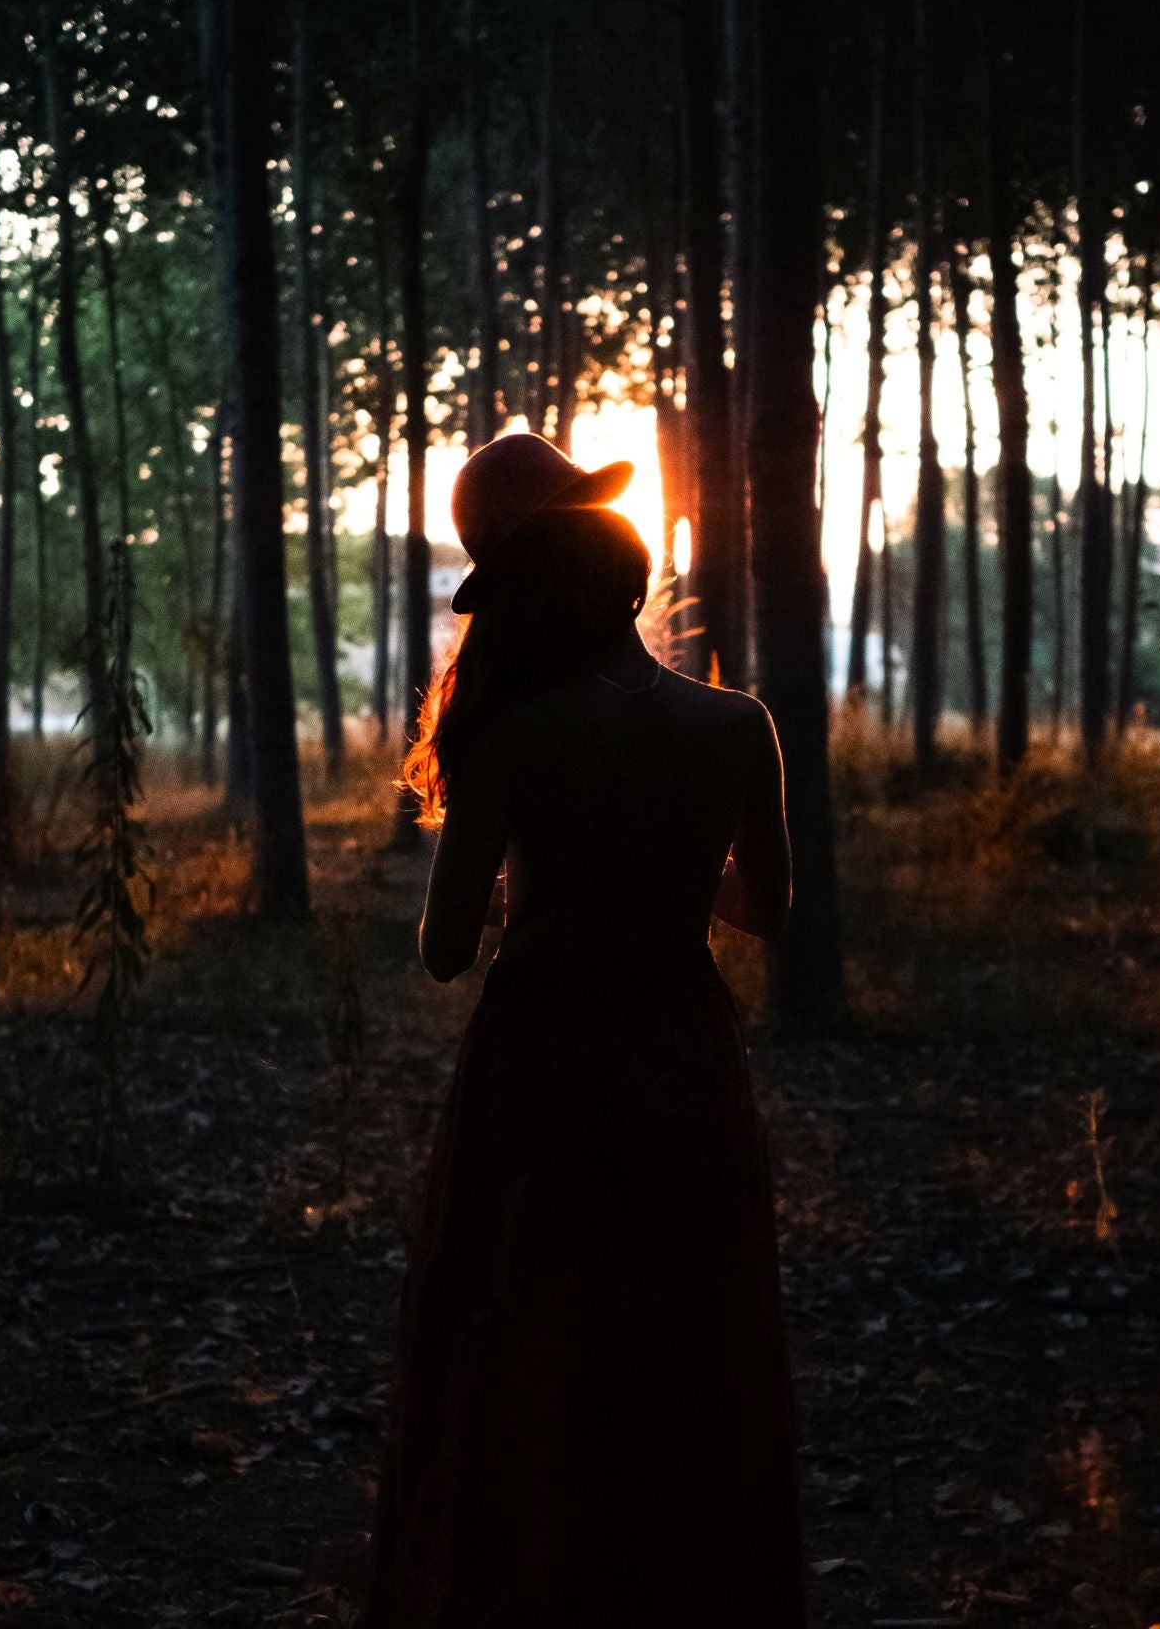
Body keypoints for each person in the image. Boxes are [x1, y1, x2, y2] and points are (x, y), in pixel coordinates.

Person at [362, 432, 807, 1629]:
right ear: (621, 565)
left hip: (542, 1070)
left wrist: (530, 879)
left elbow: (448, 952)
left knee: (527, 1345)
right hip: (681, 1058)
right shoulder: (737, 725)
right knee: (681, 1342)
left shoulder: (504, 735)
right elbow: (764, 910)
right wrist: (671, 873)